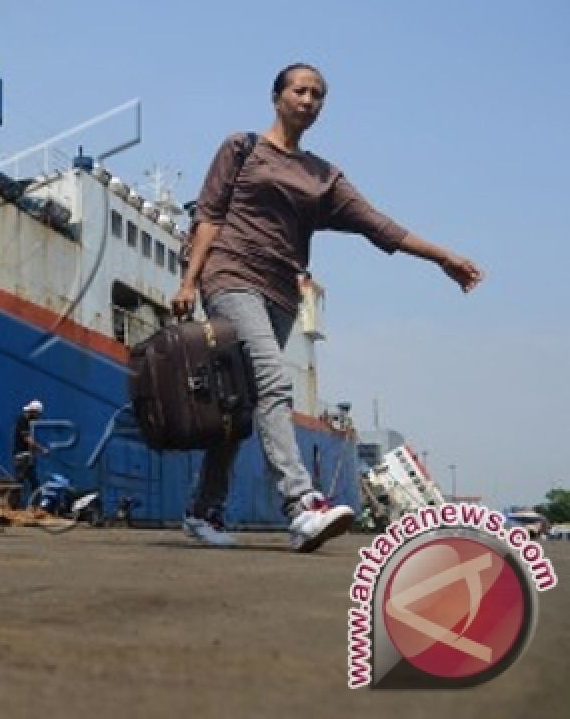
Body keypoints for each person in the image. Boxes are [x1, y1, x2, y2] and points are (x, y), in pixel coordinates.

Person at [172, 63, 483, 552]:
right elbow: (209, 215)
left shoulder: (323, 177)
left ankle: (202, 508)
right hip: (229, 277)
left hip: (280, 295)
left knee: (240, 402)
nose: (309, 101)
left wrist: (442, 255)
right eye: (300, 90)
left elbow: (380, 226)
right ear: (277, 97)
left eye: (318, 95)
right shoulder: (242, 148)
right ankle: (301, 504)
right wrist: (189, 281)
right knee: (274, 381)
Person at [12, 399, 48, 505]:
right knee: (19, 482)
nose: (38, 417)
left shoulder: (28, 422)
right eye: (37, 414)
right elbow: (27, 439)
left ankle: (35, 506)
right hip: (22, 457)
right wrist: (41, 449)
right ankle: (14, 506)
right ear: (33, 411)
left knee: (33, 482)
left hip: (27, 457)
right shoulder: (22, 421)